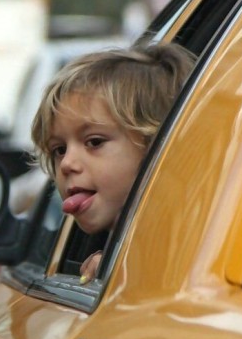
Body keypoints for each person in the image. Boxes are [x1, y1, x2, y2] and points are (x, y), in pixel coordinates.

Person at [30, 42, 196, 284]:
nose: (67, 164)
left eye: (94, 142)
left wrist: (130, 269)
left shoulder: (189, 248)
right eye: (59, 149)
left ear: (157, 148)